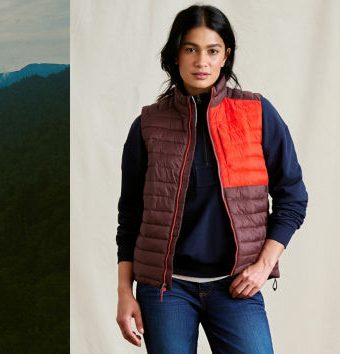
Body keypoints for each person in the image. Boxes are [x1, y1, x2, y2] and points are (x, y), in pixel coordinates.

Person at [114, 5, 308, 353]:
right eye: (191, 49)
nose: (201, 61)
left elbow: (292, 197)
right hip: (165, 289)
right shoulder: (148, 125)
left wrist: (263, 268)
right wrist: (124, 293)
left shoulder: (257, 114)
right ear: (175, 55)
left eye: (212, 50)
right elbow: (130, 215)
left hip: (235, 285)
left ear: (225, 56)